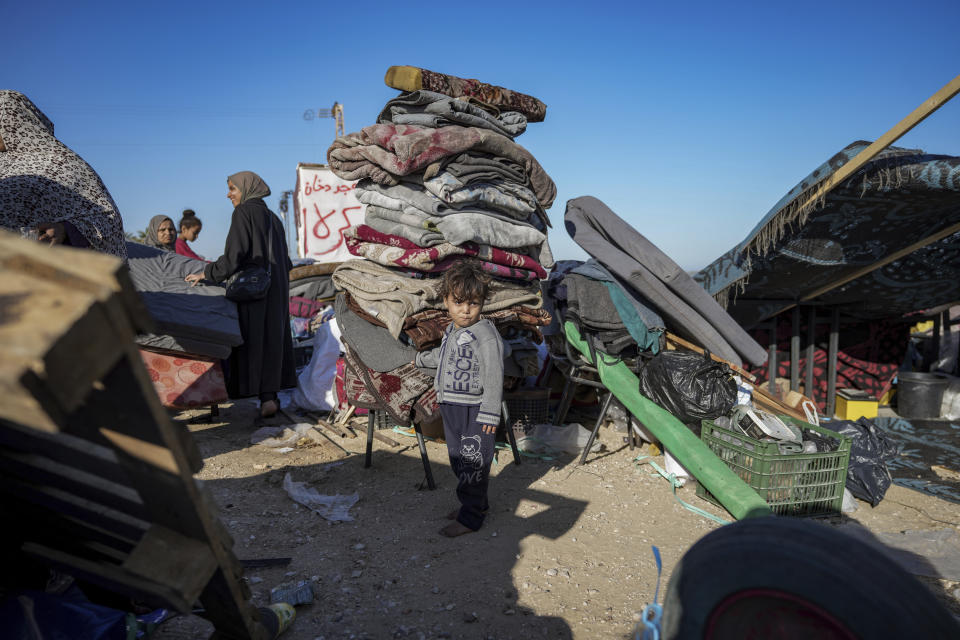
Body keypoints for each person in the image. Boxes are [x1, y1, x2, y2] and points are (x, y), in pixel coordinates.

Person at [185, 171, 296, 418]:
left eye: (232, 189)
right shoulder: (273, 219)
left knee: (251, 342)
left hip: (253, 292)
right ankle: (269, 398)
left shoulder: (244, 212)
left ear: (246, 189)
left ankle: (250, 394)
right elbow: (285, 262)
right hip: (275, 293)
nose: (229, 194)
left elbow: (234, 255)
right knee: (271, 343)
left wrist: (208, 272)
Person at [415, 260, 505, 537]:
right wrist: (420, 359)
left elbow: (494, 375)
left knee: (472, 461)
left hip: (475, 410)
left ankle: (470, 518)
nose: (466, 310)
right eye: (459, 302)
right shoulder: (452, 331)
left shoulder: (486, 336)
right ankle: (477, 504)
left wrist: (490, 413)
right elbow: (446, 358)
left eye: (474, 303)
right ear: (446, 301)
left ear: (482, 304)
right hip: (452, 406)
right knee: (458, 459)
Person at [0, 90, 127, 257]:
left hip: (44, 270)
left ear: (12, 119)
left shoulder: (60, 162)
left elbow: (107, 219)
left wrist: (66, 230)